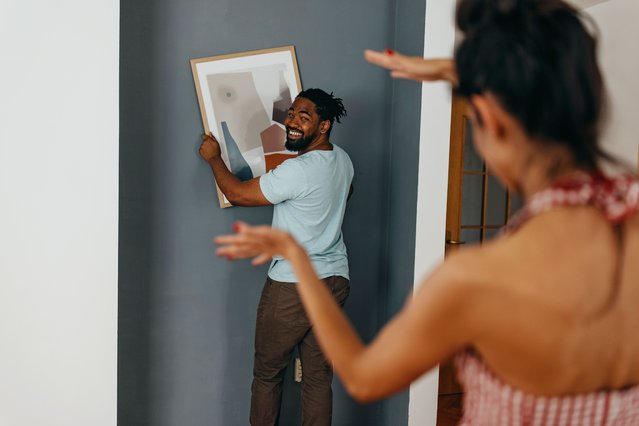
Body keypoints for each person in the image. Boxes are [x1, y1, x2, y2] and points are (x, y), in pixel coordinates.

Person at [214, 1, 639, 424]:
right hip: (339, 273)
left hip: (301, 279)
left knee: (268, 373)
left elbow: (364, 378)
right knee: (318, 376)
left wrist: (292, 253)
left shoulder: (473, 280)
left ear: (489, 119)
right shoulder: (632, 215)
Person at [199, 88, 353, 426]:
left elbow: (237, 193)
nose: (292, 121)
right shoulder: (342, 160)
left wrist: (213, 157)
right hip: (335, 280)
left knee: (268, 374)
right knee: (317, 377)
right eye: (292, 112)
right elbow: (346, 193)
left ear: (323, 125)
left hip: (294, 287)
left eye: (304, 116)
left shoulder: (297, 172)